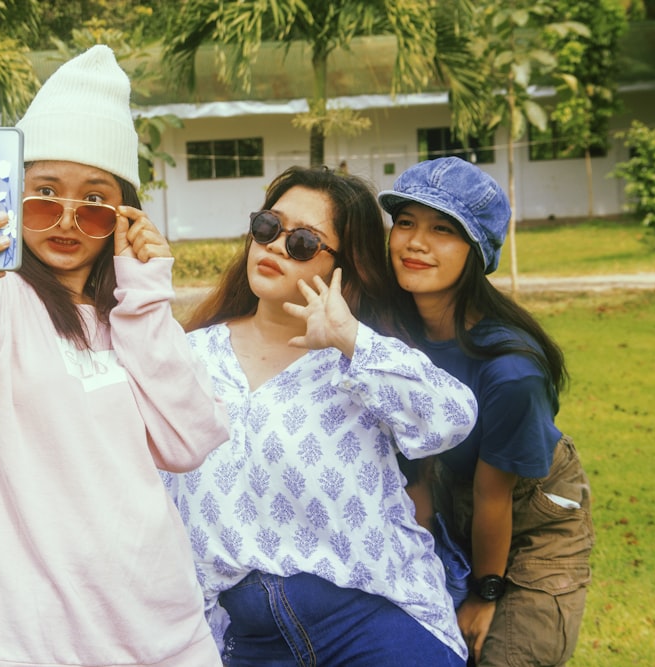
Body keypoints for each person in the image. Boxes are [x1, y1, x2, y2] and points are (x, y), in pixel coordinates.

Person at [0, 45, 228, 667]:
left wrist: (145, 296)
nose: (65, 219)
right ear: (9, 193)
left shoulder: (132, 311)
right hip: (23, 644)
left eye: (94, 202)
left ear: (123, 216)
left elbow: (188, 442)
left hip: (164, 634)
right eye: (43, 194)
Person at [163, 166, 478, 666]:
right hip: (242, 638)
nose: (274, 246)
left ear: (344, 268)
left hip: (369, 621)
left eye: (304, 242)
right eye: (268, 227)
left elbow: (452, 419)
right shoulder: (186, 356)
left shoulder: (358, 361)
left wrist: (351, 339)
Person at [379, 157, 595, 667]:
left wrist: (484, 593)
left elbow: (493, 495)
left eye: (443, 230)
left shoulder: (511, 369)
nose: (415, 242)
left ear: (477, 252)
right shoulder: (395, 336)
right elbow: (417, 466)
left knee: (506, 656)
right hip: (450, 496)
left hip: (530, 512)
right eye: (405, 222)